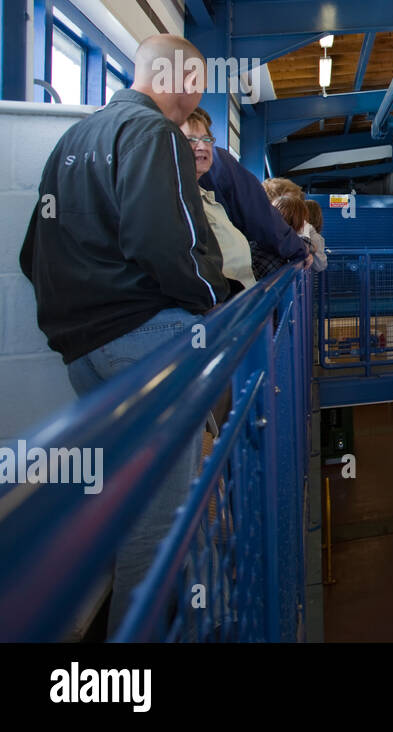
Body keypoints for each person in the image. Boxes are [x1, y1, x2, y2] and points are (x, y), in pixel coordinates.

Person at [20, 33, 230, 635]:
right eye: (197, 84)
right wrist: (218, 299)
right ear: (182, 81)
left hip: (85, 352)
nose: (197, 99)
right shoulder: (155, 135)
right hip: (147, 340)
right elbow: (167, 243)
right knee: (161, 518)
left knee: (127, 502)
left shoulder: (74, 139)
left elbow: (33, 253)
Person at [198, 134, 308, 276]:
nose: (200, 147)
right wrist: (301, 250)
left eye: (206, 139)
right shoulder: (219, 164)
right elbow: (262, 219)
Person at [181, 109, 256, 293]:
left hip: (240, 304)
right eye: (191, 139)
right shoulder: (176, 200)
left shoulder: (207, 199)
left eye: (207, 139)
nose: (202, 146)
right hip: (220, 312)